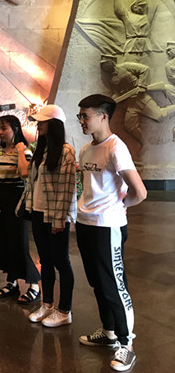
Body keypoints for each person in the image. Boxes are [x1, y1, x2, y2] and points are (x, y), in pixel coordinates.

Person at [76, 94, 147, 372]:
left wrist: (119, 207)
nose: (81, 121)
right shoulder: (86, 149)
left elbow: (139, 192)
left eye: (85, 116)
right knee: (97, 283)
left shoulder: (116, 147)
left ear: (103, 116)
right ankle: (109, 332)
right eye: (80, 116)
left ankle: (126, 344)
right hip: (85, 223)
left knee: (115, 286)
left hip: (108, 227)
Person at [18, 104, 77, 327]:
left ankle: (65, 310)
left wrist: (59, 220)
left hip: (55, 216)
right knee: (45, 261)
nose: (38, 125)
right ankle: (47, 304)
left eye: (42, 122)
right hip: (38, 213)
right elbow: (32, 182)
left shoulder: (66, 151)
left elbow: (67, 189)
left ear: (54, 124)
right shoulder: (41, 150)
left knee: (62, 262)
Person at [0, 115, 41, 304]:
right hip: (1, 200)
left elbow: (25, 173)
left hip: (17, 199)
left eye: (4, 128)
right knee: (5, 242)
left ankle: (34, 285)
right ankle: (12, 282)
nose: (0, 132)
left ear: (16, 129)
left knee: (19, 242)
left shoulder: (25, 151)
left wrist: (20, 151)